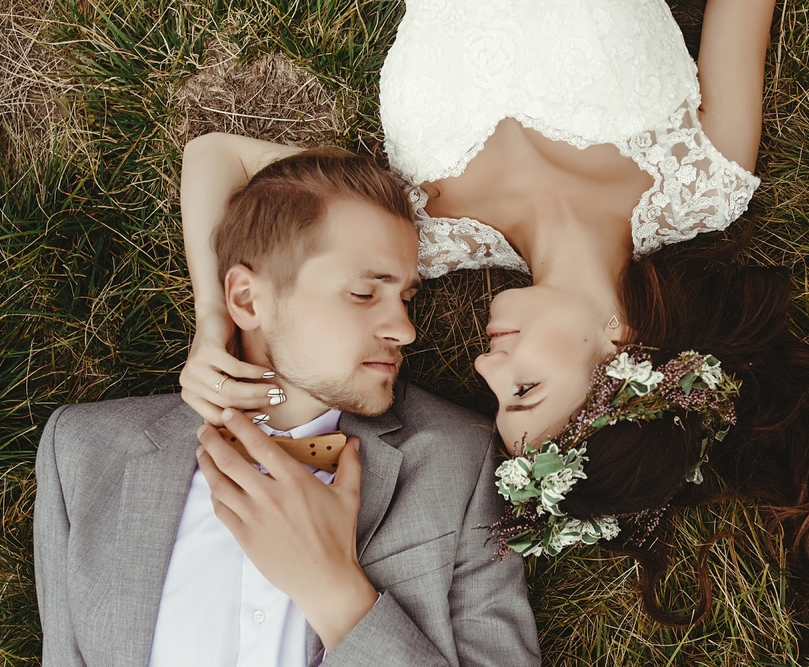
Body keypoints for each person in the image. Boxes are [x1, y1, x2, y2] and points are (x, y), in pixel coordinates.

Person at [178, 0, 809, 654]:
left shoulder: (421, 234)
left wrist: (211, 323)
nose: (484, 370)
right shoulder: (708, 175)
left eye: (494, 397)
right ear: (623, 352)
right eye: (523, 388)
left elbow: (218, 160)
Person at [33, 148, 541, 666]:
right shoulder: (83, 452)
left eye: (406, 298)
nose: (405, 330)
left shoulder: (457, 460)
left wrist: (336, 594)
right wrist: (213, 320)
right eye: (364, 292)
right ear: (250, 301)